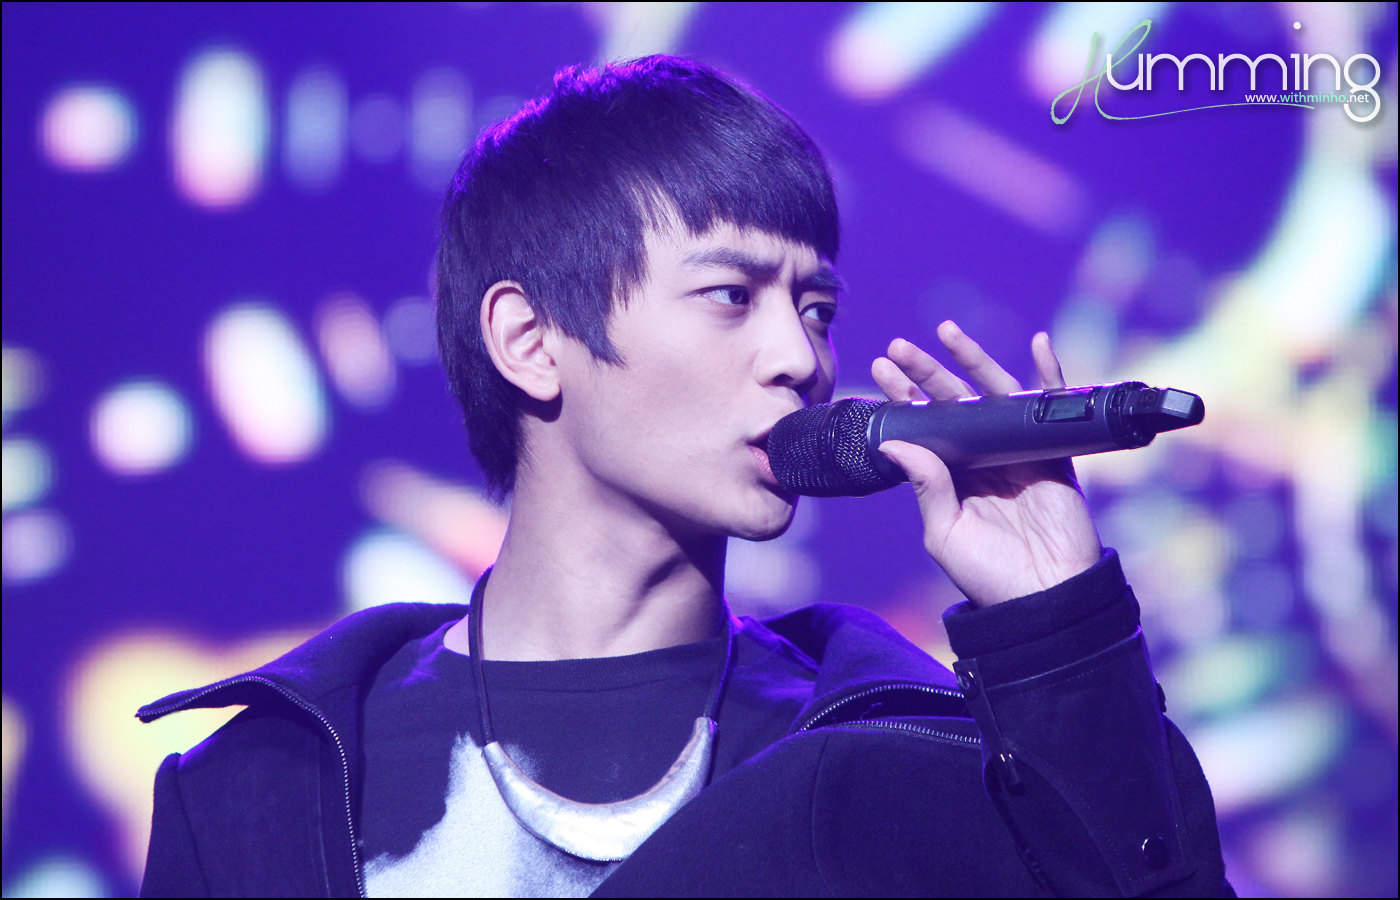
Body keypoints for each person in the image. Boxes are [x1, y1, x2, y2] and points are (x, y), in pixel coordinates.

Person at [138, 55, 1230, 897]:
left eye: (816, 308)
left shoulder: (900, 758)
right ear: (529, 341)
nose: (800, 357)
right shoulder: (262, 791)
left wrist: (1060, 634)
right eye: (729, 297)